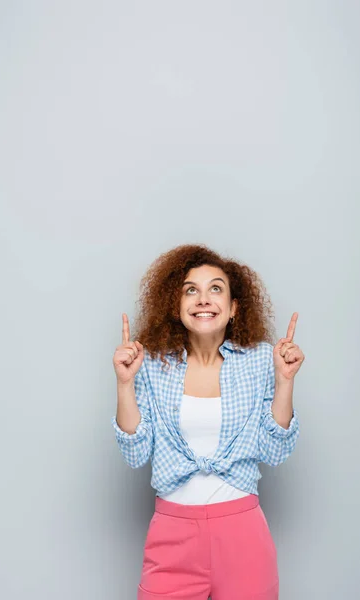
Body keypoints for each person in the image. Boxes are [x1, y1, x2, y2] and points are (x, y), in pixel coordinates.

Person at [111, 244, 305, 600]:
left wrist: (285, 381)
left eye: (216, 288)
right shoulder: (151, 364)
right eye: (191, 290)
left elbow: (275, 451)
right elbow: (136, 454)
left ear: (233, 308)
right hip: (172, 533)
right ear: (176, 306)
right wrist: (125, 384)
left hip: (243, 534)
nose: (203, 299)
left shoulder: (262, 360)